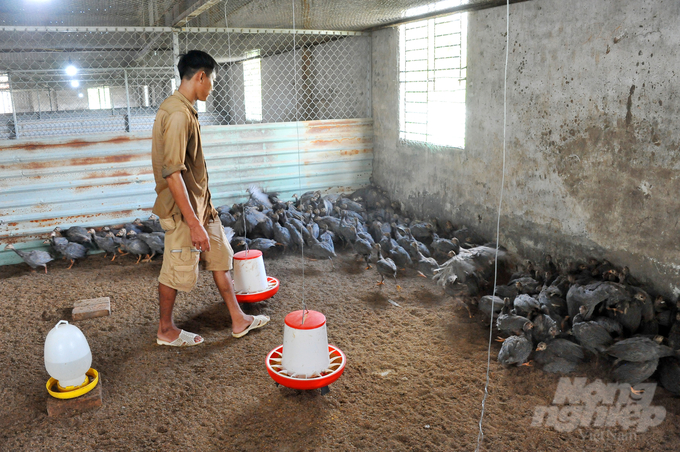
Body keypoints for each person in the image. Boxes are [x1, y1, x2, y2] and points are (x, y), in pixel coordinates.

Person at [151, 50, 269, 346]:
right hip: (183, 212)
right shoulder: (177, 114)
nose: (212, 87)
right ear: (200, 76)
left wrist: (204, 213)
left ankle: (238, 319)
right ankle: (165, 329)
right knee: (175, 269)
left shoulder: (185, 109)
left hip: (202, 207)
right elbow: (172, 173)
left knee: (219, 258)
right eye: (212, 80)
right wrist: (193, 223)